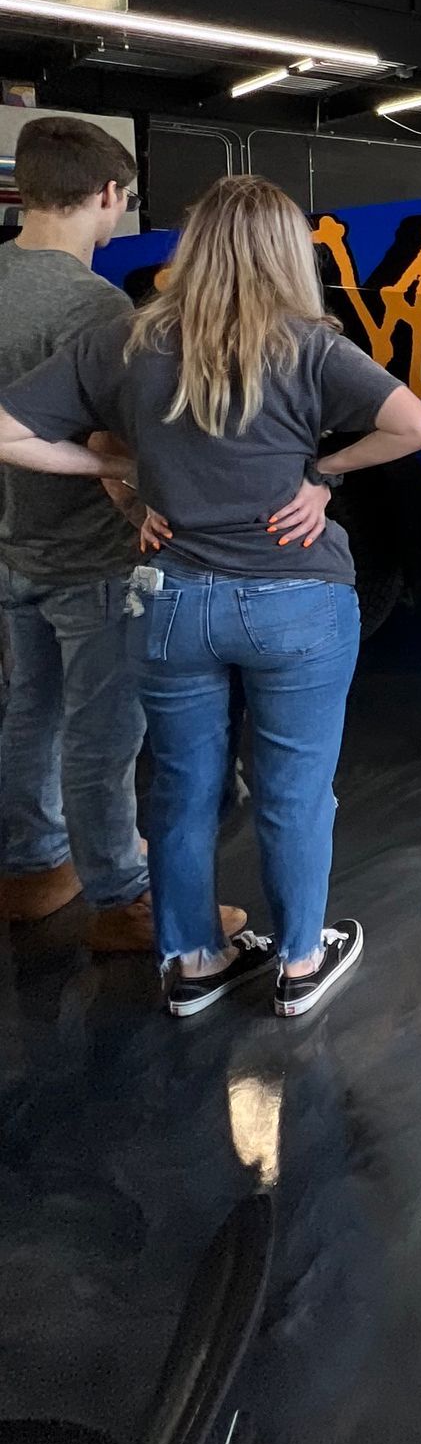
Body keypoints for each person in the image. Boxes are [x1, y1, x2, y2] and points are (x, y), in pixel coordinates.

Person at [0, 173, 421, 1019]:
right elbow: (416, 426)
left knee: (180, 788)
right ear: (285, 254)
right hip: (296, 605)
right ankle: (301, 963)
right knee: (294, 788)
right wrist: (322, 474)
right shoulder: (310, 346)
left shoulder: (128, 342)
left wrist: (125, 475)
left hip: (171, 603)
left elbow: (11, 430)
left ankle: (194, 961)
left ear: (192, 249)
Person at [0, 116, 234, 952]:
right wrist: (149, 499)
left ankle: (31, 868)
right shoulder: (95, 304)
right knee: (104, 735)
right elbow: (108, 446)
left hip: (11, 549)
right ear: (108, 195)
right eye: (122, 203)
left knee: (29, 713)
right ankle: (124, 899)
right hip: (91, 555)